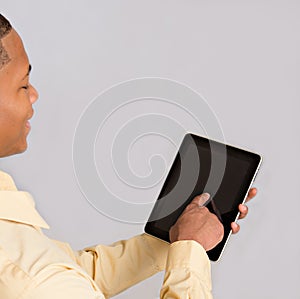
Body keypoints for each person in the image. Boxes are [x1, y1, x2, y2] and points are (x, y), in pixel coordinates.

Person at [0, 14, 257, 299]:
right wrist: (190, 251)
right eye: (23, 84)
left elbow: (73, 274)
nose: (34, 94)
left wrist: (179, 237)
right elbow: (49, 282)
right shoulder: (31, 281)